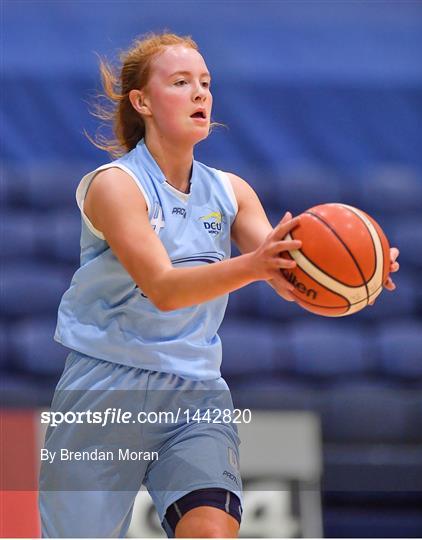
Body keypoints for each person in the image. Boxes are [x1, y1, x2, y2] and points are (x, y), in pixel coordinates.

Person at [39, 32, 399, 538]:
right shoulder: (114, 185)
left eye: (205, 83)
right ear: (141, 102)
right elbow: (163, 288)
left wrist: (364, 270)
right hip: (105, 391)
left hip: (195, 392)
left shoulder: (231, 191)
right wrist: (257, 263)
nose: (200, 94)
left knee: (210, 530)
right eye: (181, 82)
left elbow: (288, 279)